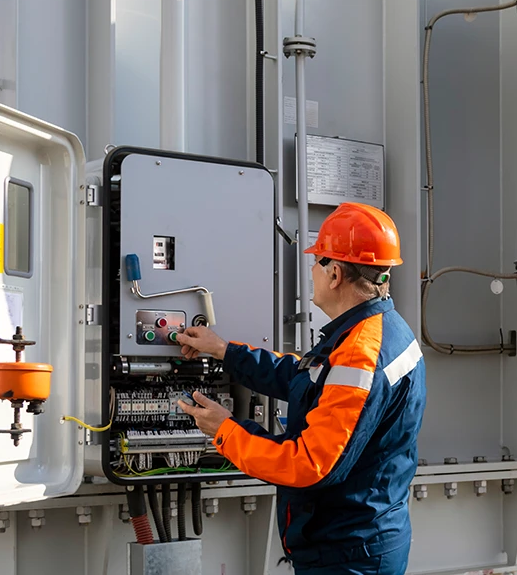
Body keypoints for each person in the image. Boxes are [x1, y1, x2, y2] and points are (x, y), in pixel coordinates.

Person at [175, 202, 426, 575]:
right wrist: (223, 350)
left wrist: (226, 431)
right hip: (356, 542)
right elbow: (302, 377)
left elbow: (309, 465)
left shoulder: (361, 354)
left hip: (349, 557)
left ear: (335, 273)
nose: (312, 270)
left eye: (317, 261)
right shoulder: (373, 330)